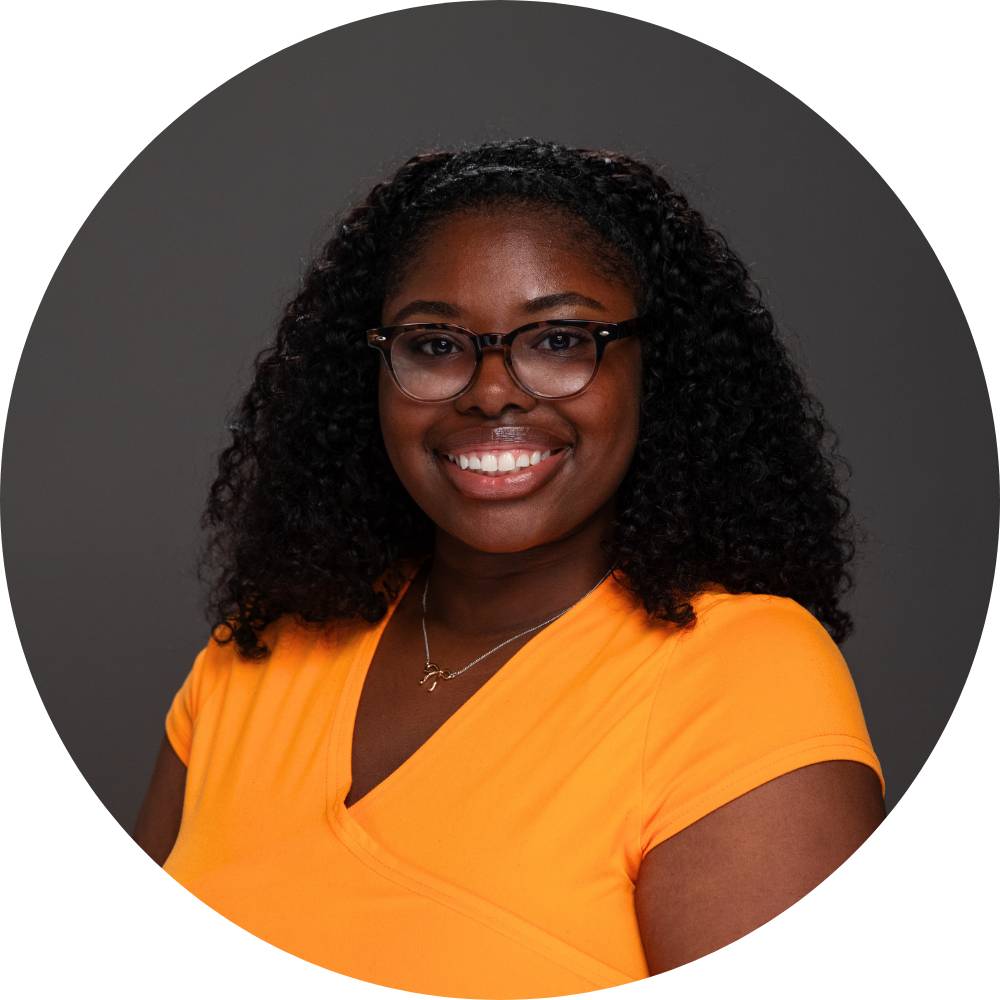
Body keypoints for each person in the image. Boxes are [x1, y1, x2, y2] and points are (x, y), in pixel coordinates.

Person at [133, 136, 885, 997]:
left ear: (658, 373)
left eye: (561, 339)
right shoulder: (254, 656)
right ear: (371, 374)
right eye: (436, 345)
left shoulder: (742, 675)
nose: (492, 390)